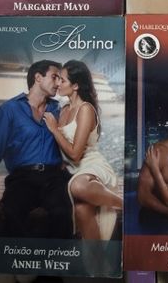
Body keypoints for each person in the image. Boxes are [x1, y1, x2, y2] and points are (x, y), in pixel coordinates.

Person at [0, 60, 73, 239]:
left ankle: (55, 254)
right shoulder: (10, 109)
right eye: (54, 77)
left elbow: (72, 140)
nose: (58, 83)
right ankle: (22, 253)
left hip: (54, 178)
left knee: (62, 213)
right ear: (38, 77)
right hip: (22, 178)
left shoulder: (59, 109)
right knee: (11, 211)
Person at [43, 60, 123, 240]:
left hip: (90, 164)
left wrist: (55, 129)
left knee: (78, 186)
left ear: (76, 85)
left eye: (62, 80)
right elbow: (62, 150)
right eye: (58, 79)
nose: (58, 83)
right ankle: (96, 257)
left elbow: (75, 154)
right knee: (81, 210)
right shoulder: (63, 109)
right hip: (71, 169)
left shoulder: (85, 109)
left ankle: (124, 204)